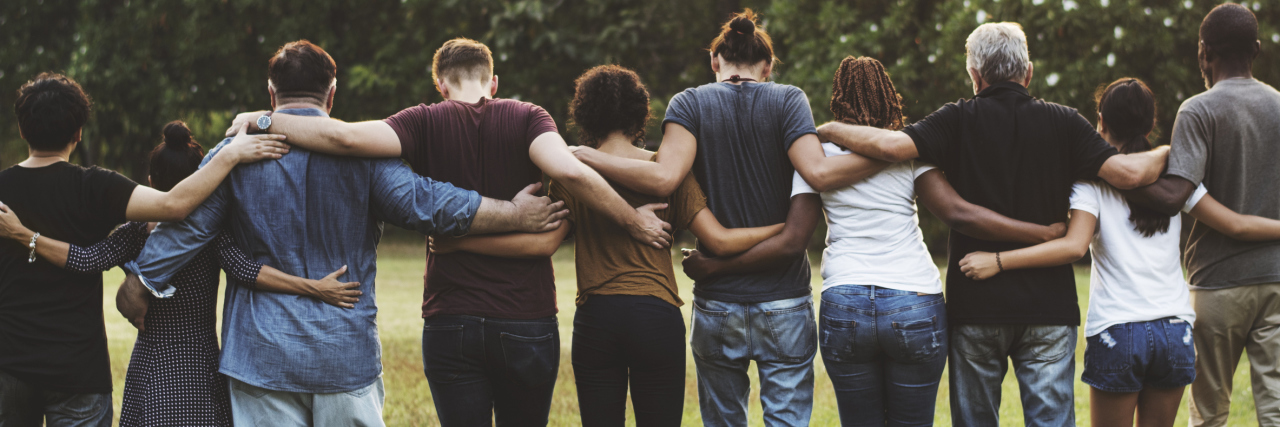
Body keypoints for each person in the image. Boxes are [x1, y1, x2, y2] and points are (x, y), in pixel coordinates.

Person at [116, 40, 565, 427]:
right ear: (332, 95)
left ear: (270, 95)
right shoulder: (365, 158)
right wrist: (515, 213)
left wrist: (141, 279)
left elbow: (188, 226)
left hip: (260, 357)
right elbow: (428, 202)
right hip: (344, 354)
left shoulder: (235, 152)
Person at [223, 38, 670, 426]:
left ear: (440, 84)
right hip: (525, 319)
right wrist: (634, 220)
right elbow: (570, 171)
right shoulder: (528, 116)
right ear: (493, 82)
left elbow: (344, 140)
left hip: (449, 319)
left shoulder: (421, 120)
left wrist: (265, 119)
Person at [817, 23, 1169, 427]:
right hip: (1049, 307)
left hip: (976, 304)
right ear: (1029, 72)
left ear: (974, 74)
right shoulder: (1067, 122)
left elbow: (893, 147)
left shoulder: (955, 118)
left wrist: (826, 128)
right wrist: (1173, 148)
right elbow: (1125, 174)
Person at [431, 64, 779, 426]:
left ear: (584, 114)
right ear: (640, 113)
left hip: (598, 321)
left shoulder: (575, 174)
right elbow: (719, 241)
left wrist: (462, 244)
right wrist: (783, 229)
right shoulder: (667, 170)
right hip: (656, 319)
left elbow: (541, 246)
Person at [0, 121, 361, 427]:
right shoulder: (212, 235)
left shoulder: (135, 232)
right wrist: (315, 288)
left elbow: (83, 259)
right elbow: (248, 271)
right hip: (199, 367)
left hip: (150, 370)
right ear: (201, 180)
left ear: (150, 179)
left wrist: (23, 234)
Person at [569, 10, 825, 425]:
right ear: (768, 66)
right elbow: (813, 172)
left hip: (717, 300)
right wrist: (787, 227)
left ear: (714, 62)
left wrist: (587, 157)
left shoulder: (690, 103)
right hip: (784, 298)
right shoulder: (789, 99)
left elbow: (664, 174)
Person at [798, 56, 1068, 426]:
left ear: (837, 97)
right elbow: (959, 213)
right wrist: (1038, 233)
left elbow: (799, 224)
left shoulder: (818, 155)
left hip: (845, 297)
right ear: (888, 95)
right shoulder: (911, 150)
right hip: (913, 298)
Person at [1117, 5, 1280, 426]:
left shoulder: (1198, 110)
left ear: (1203, 52)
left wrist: (1111, 171)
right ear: (1257, 50)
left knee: (1209, 413)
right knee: (1275, 408)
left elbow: (1174, 195)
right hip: (1278, 278)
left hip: (1219, 285)